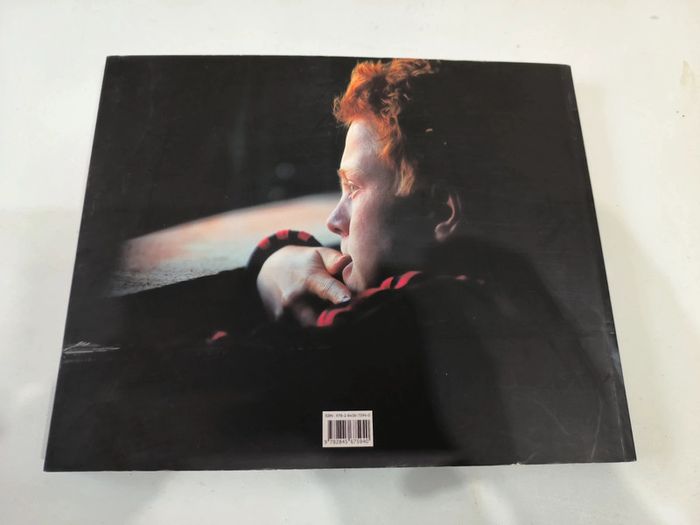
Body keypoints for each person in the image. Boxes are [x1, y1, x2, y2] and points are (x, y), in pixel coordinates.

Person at [51, 59, 622, 470]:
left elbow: (192, 387)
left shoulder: (412, 316)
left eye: (353, 189)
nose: (335, 220)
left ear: (439, 211)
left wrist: (267, 280)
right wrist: (276, 259)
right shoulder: (501, 282)